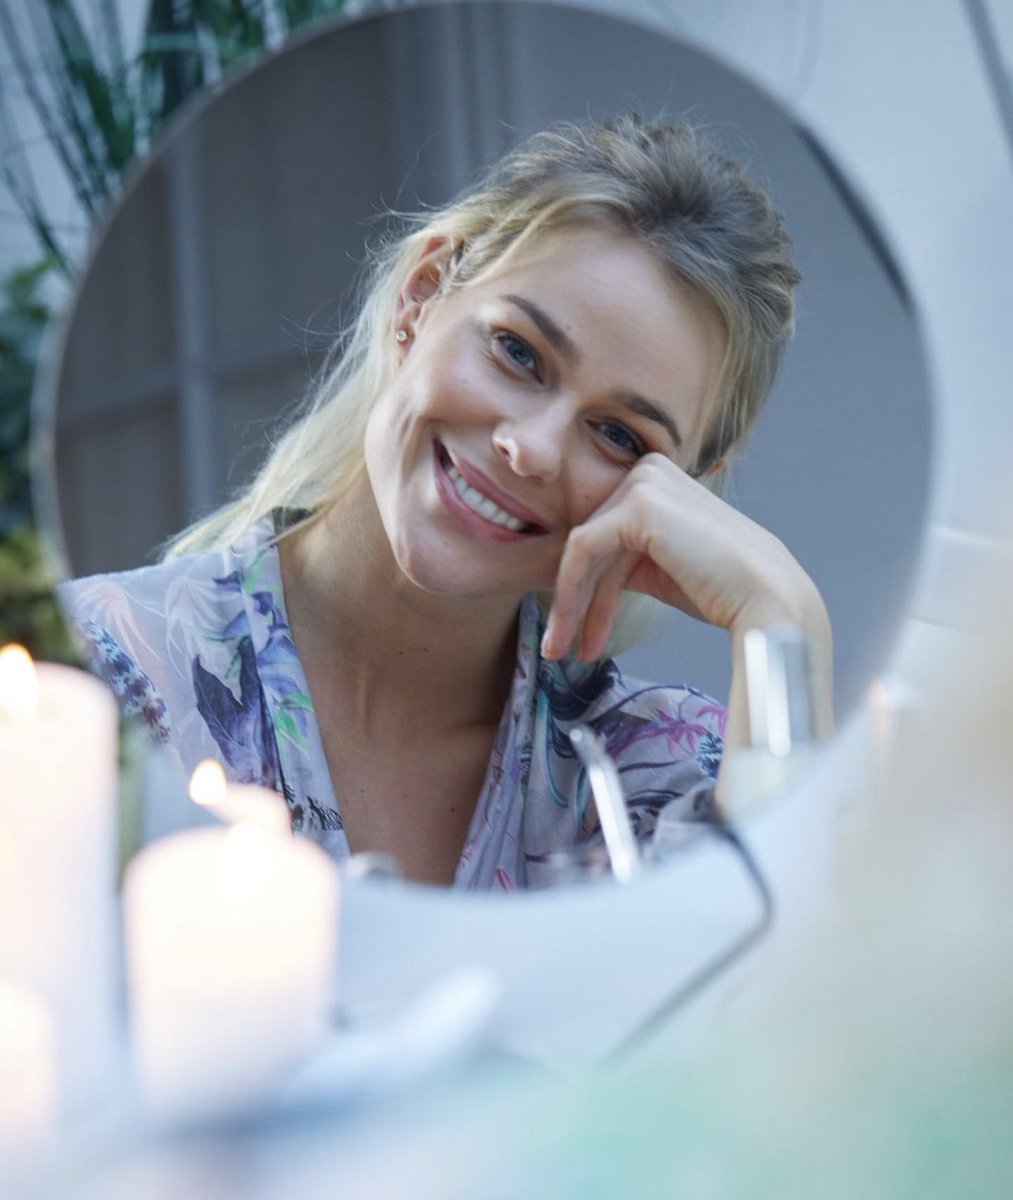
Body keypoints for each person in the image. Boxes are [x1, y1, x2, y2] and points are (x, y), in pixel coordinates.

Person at [61, 113, 832, 889]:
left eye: (618, 437)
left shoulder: (654, 777)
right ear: (421, 295)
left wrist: (783, 617)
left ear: (677, 498)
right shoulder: (84, 682)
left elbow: (792, 979)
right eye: (517, 352)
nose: (530, 448)